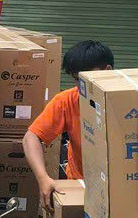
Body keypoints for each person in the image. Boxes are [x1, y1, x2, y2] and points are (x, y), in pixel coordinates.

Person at [22, 39, 114, 208]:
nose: (80, 86)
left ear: (107, 71)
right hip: (82, 187)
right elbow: (30, 138)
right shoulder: (67, 101)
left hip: (122, 188)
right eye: (76, 80)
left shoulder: (126, 102)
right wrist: (43, 178)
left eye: (85, 79)